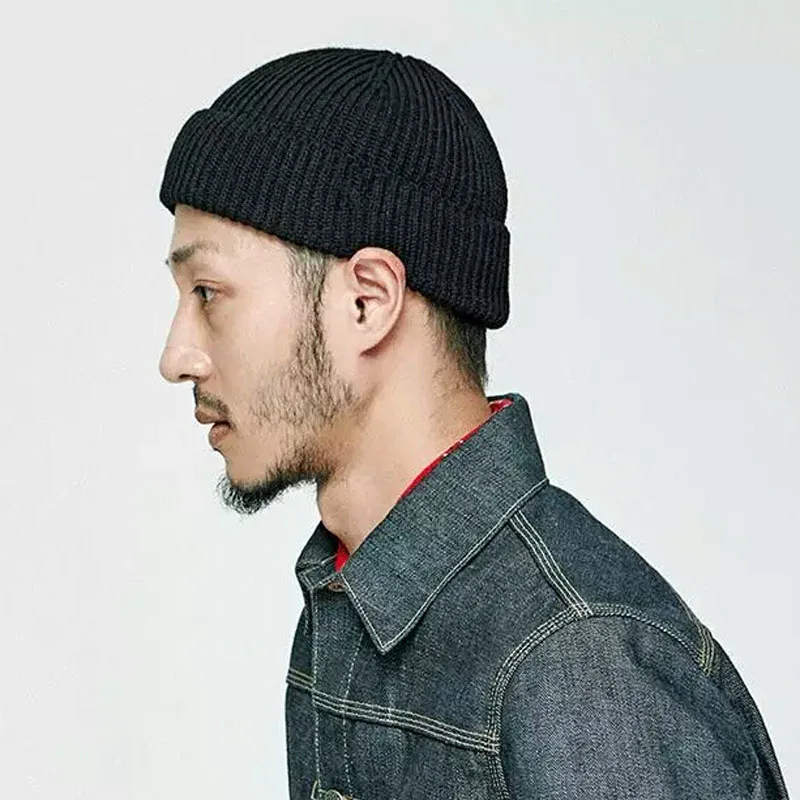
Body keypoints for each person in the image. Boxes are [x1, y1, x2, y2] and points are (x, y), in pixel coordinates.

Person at [157, 47, 788, 799]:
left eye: (208, 293)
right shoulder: (349, 597)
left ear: (367, 301)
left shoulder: (577, 667)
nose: (176, 357)